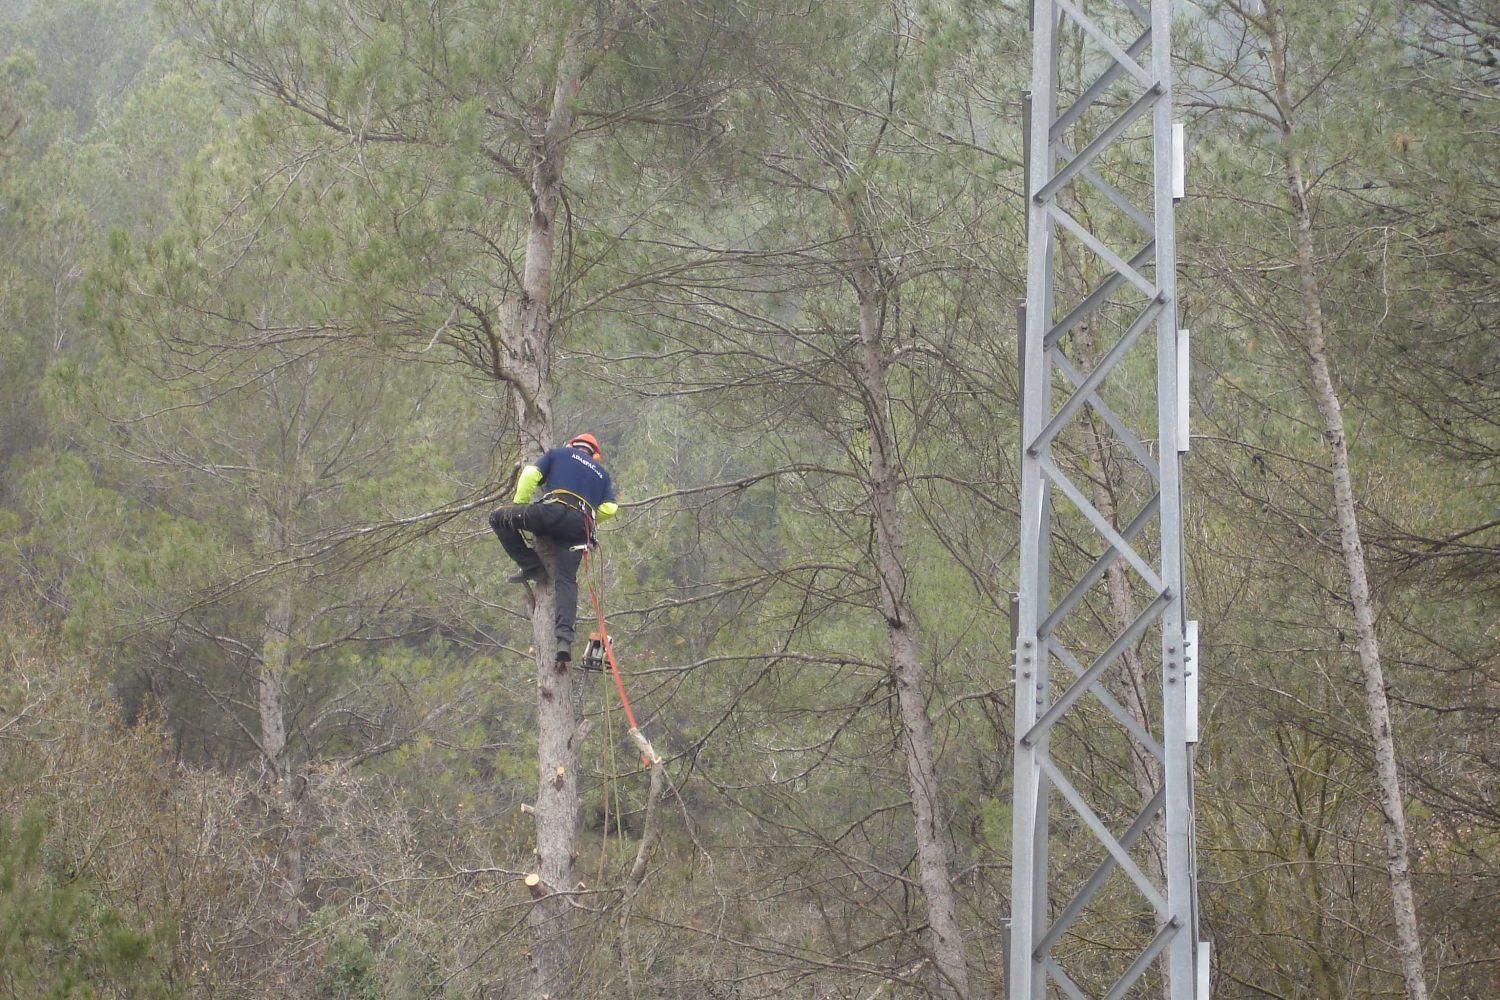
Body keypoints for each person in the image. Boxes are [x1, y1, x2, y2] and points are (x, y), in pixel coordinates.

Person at [489, 433, 618, 663]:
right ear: (594, 455)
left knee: (498, 518)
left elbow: (530, 474)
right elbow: (610, 508)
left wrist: (520, 505)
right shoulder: (602, 474)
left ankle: (532, 566)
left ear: (572, 445)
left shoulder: (558, 454)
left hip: (551, 513)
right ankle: (564, 641)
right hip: (579, 528)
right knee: (567, 580)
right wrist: (591, 520)